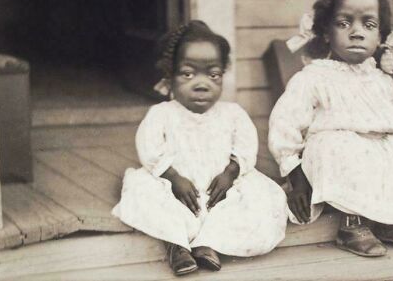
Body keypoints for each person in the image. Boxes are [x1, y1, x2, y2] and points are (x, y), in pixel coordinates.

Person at [268, 0, 393, 258]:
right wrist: (294, 173)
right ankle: (351, 225)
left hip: (372, 148)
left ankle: (390, 219)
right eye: (344, 23)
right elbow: (285, 123)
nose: (357, 32)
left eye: (368, 24)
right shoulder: (314, 76)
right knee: (343, 146)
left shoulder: (379, 79)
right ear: (325, 33)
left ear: (381, 35)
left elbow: (388, 109)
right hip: (336, 151)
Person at [112, 21, 287, 276]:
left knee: (263, 198)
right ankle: (177, 245)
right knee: (143, 192)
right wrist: (172, 177)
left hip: (221, 185)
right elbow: (150, 150)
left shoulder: (233, 113)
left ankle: (209, 243)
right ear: (170, 76)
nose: (202, 83)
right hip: (177, 186)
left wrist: (231, 172)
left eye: (213, 74)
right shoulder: (162, 114)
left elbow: (245, 147)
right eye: (188, 74)